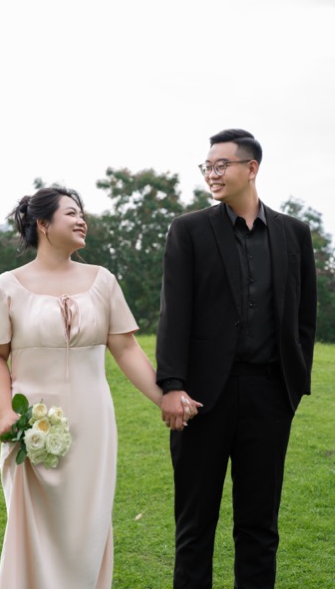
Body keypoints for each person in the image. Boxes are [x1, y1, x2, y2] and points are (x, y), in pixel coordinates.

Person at [0, 186, 199, 589]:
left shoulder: (103, 281)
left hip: (93, 423)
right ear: (43, 224)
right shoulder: (7, 286)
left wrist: (164, 396)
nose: (82, 221)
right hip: (30, 424)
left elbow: (125, 348)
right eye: (71, 213)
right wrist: (4, 411)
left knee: (87, 527)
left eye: (82, 214)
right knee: (31, 526)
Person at [156, 129, 317, 589]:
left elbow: (304, 318)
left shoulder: (293, 233)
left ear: (251, 168)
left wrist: (292, 387)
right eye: (207, 166)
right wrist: (172, 385)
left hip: (270, 396)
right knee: (194, 527)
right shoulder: (188, 230)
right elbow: (174, 314)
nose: (212, 173)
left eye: (221, 165)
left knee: (260, 528)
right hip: (201, 399)